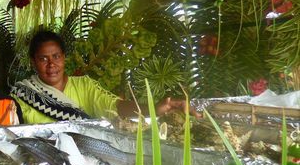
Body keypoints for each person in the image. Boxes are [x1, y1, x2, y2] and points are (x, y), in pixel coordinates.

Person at [12, 30, 196, 124]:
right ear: (33, 62)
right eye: (43, 59)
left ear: (64, 58)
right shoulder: (22, 94)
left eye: (56, 56)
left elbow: (114, 106)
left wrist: (155, 109)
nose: (51, 64)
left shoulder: (84, 85)